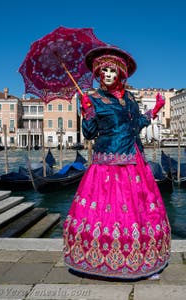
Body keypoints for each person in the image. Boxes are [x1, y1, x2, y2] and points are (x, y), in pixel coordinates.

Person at [63, 45, 171, 280]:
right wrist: (88, 112)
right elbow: (90, 134)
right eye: (103, 72)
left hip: (135, 161)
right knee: (110, 213)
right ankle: (102, 260)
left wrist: (154, 111)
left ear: (120, 74)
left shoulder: (130, 98)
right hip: (108, 164)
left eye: (112, 71)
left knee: (138, 213)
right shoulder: (95, 99)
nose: (108, 76)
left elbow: (136, 124)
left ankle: (143, 259)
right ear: (99, 75)